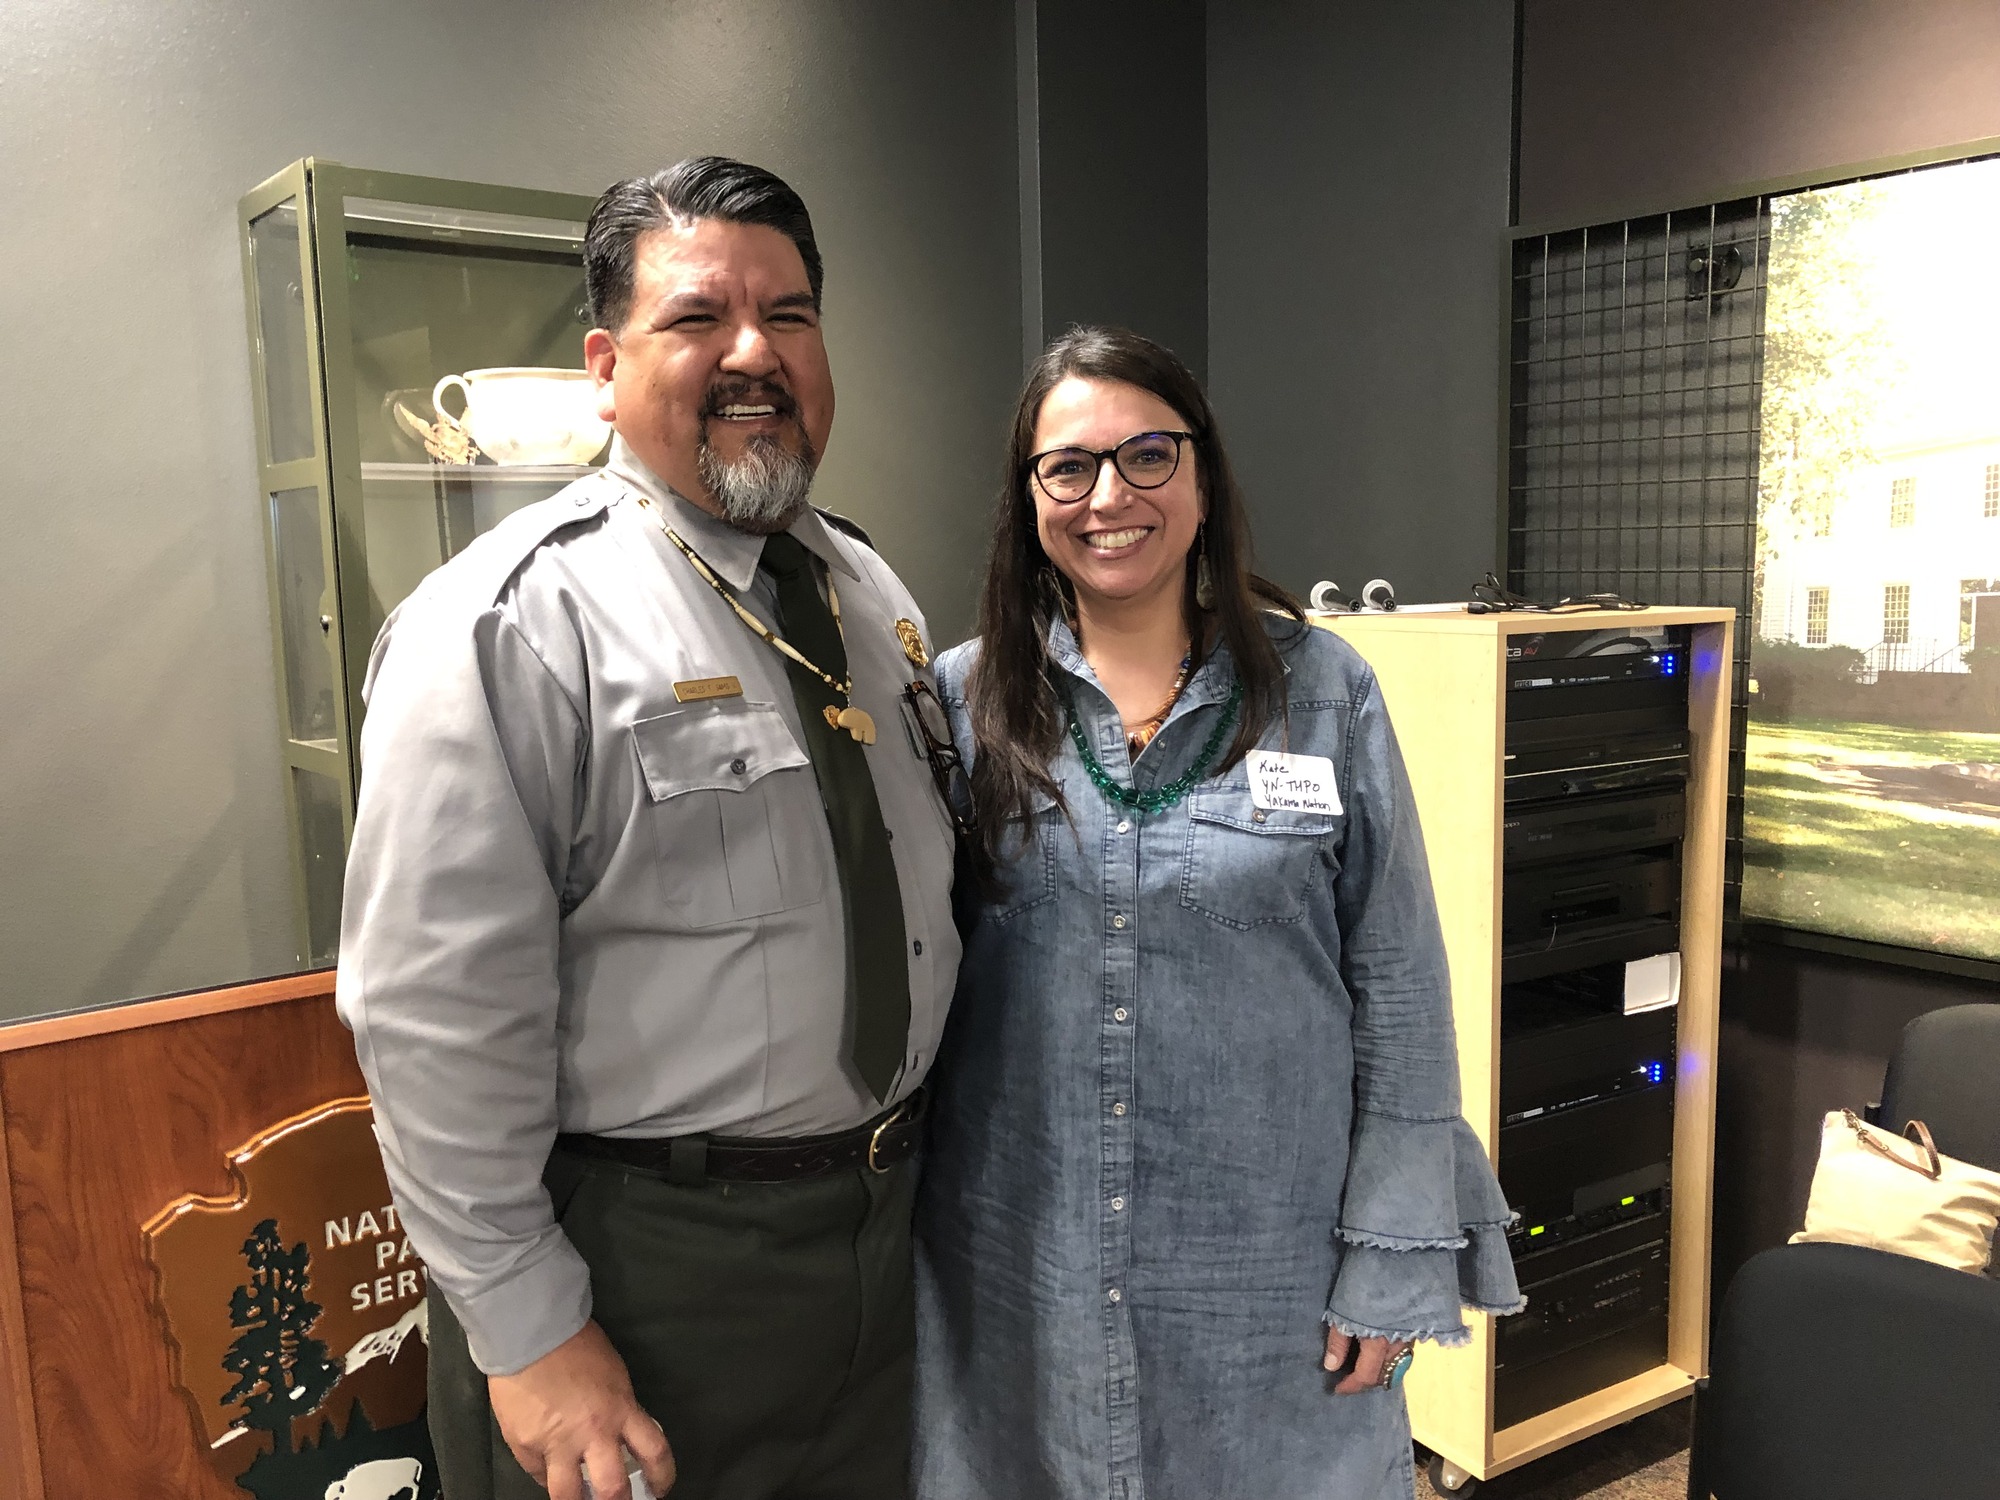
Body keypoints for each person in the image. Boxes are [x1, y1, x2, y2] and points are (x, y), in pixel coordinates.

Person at [337, 157, 961, 1500]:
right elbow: (430, 1020)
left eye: (790, 315)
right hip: (641, 1268)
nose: (755, 353)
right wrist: (528, 1327)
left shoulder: (868, 593)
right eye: (699, 319)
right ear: (607, 369)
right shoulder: (504, 627)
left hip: (881, 1242)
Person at [912, 326, 1523, 1500]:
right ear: (1028, 497)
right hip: (1016, 1273)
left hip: (1264, 1283)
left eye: (1147, 456)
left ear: (1201, 478)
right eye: (1068, 466)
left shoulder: (1325, 691)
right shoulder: (963, 699)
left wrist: (1388, 1260)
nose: (1108, 496)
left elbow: (1397, 987)